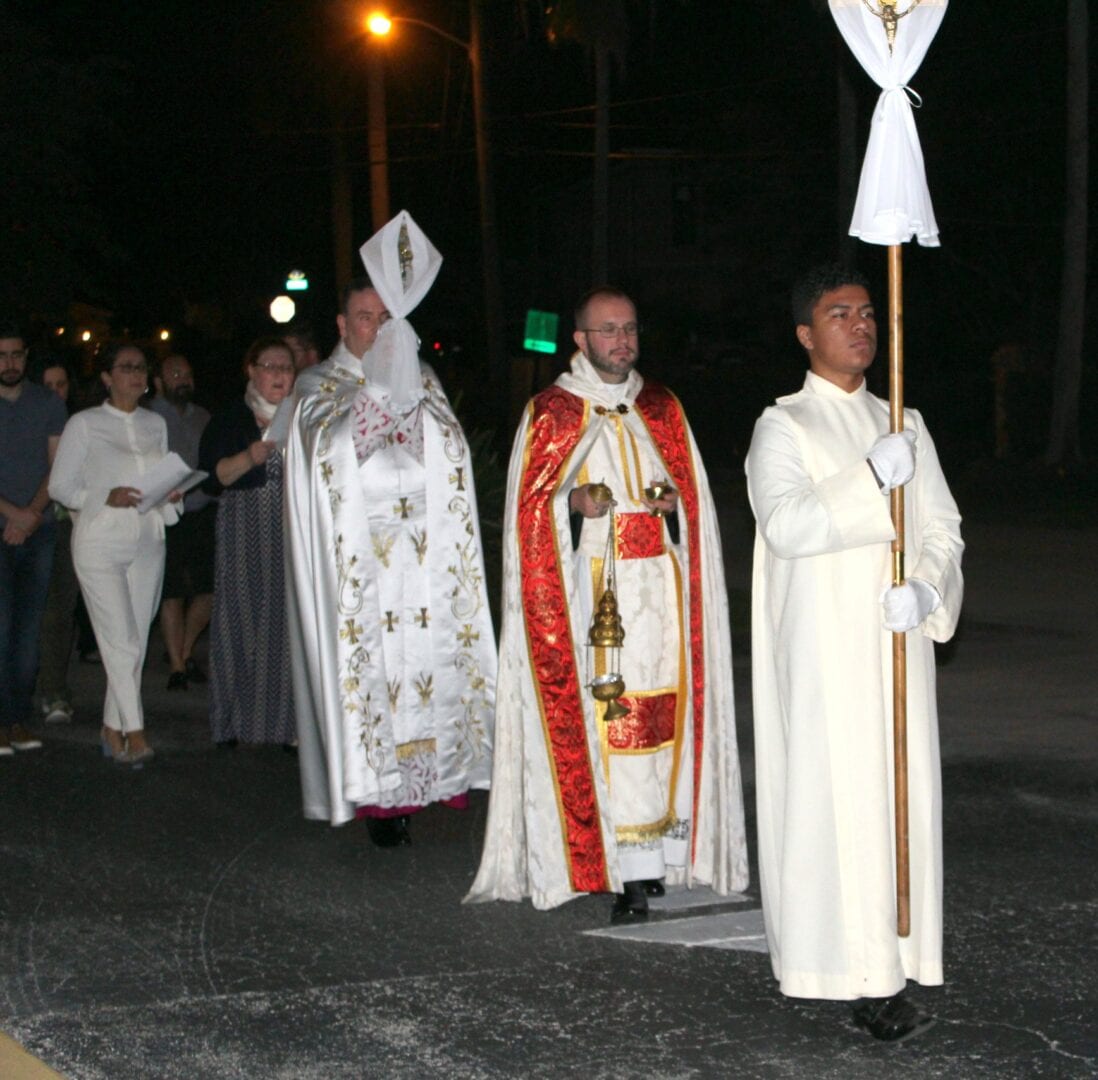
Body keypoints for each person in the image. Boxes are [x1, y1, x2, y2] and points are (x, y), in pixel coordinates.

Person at [467, 287, 748, 921]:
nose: (622, 341)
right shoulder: (554, 411)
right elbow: (527, 509)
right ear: (581, 341)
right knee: (612, 723)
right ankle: (620, 869)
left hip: (665, 596)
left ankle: (662, 860)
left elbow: (693, 495)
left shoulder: (662, 406)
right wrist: (572, 504)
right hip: (596, 595)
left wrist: (677, 507)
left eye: (629, 329)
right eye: (607, 330)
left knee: (660, 722)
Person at [744, 263, 964, 1041]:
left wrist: (930, 591)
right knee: (839, 809)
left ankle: (893, 961)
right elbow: (789, 525)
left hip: (892, 644)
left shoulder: (904, 419)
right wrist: (873, 476)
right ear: (806, 333)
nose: (862, 326)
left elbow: (941, 527)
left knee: (893, 801)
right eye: (841, 314)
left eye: (869, 313)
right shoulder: (784, 426)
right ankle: (849, 971)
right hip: (827, 656)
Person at [285, 212, 496, 846]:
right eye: (366, 318)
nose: (377, 328)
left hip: (423, 562)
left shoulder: (423, 378)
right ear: (344, 325)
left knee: (429, 664)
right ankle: (380, 799)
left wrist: (413, 405)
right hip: (364, 573)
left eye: (386, 317)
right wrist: (378, 400)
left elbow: (454, 454)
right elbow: (327, 456)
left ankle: (437, 781)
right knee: (374, 671)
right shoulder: (316, 385)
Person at [49, 342, 182, 765]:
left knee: (135, 640)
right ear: (106, 376)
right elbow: (61, 488)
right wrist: (106, 496)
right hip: (100, 540)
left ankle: (112, 726)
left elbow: (158, 484)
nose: (136, 375)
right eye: (126, 368)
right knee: (120, 639)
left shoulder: (155, 423)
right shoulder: (85, 424)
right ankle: (136, 731)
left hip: (147, 537)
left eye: (142, 368)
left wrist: (170, 494)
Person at [198, 337, 295, 747]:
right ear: (252, 370)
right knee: (238, 621)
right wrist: (249, 458)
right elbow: (213, 475)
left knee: (287, 625)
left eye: (285, 367)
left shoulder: (302, 416)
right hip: (244, 527)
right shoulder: (232, 417)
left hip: (292, 532)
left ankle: (288, 729)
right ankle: (230, 724)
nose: (278, 374)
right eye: (269, 366)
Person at [0, 323, 67, 756]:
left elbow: (57, 466)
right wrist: (14, 515)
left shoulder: (47, 404)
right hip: (5, 525)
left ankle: (17, 718)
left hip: (39, 531)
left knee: (28, 630)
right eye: (2, 355)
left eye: (16, 355)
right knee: (1, 626)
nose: (9, 364)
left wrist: (33, 515)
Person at [149, 354, 215, 690]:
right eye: (174, 373)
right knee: (171, 591)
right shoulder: (149, 417)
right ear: (159, 381)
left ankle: (185, 650)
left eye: (187, 373)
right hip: (166, 514)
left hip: (201, 509)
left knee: (208, 589)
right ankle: (177, 665)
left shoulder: (203, 416)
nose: (182, 379)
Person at [30, 355, 81, 724]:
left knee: (59, 613)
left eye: (61, 385)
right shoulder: (29, 420)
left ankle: (54, 690)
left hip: (68, 526)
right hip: (34, 521)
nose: (55, 393)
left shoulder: (80, 424)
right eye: (48, 386)